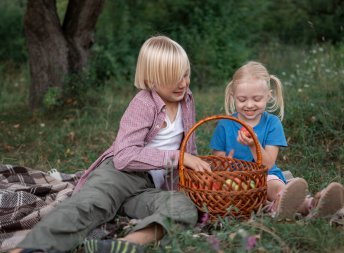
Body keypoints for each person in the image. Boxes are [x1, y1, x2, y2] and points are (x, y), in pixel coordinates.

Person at [10, 35, 211, 253]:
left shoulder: (187, 100)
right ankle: (30, 249)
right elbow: (124, 156)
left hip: (148, 190)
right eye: (175, 78)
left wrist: (197, 172)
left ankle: (126, 245)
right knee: (89, 204)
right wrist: (177, 157)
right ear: (154, 78)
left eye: (185, 74)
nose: (183, 83)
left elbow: (189, 148)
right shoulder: (144, 104)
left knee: (183, 206)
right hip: (120, 175)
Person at [210, 61, 344, 220]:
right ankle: (301, 205)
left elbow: (268, 164)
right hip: (235, 182)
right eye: (242, 99)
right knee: (229, 191)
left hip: (265, 177)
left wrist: (254, 145)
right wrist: (225, 165)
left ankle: (307, 204)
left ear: (268, 96)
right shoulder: (225, 125)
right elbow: (217, 163)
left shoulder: (272, 123)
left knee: (276, 187)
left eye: (257, 99)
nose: (249, 105)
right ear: (233, 96)